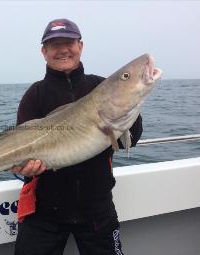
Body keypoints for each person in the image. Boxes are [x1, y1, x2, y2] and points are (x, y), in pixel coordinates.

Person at [12, 18, 143, 255]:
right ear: (44, 52)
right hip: (43, 214)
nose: (63, 49)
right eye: (54, 44)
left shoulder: (100, 86)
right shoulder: (35, 95)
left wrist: (130, 107)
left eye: (69, 42)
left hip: (97, 212)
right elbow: (21, 157)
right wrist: (25, 168)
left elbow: (131, 139)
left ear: (80, 46)